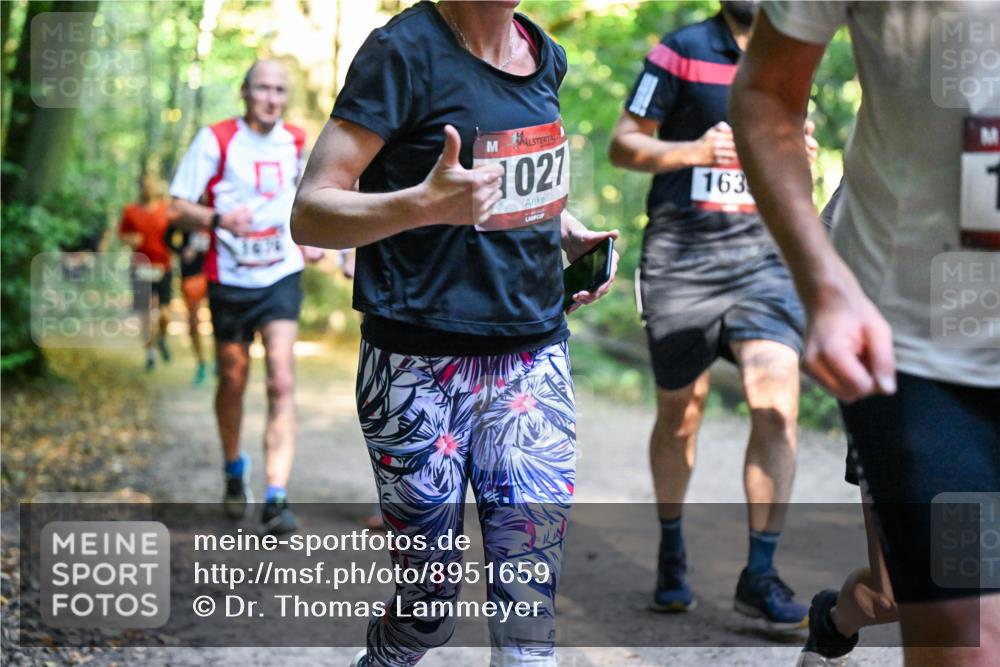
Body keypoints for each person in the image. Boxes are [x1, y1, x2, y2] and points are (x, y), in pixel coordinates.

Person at [291, 2, 618, 664]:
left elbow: (512, 178)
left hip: (532, 359)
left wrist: (563, 225)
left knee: (528, 614)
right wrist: (422, 203)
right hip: (415, 369)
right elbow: (310, 213)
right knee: (428, 608)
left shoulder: (543, 54)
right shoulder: (401, 53)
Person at [730, 2, 1000, 665]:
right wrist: (825, 288)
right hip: (919, 343)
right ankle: (836, 619)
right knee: (937, 614)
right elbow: (766, 91)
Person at [608, 0, 817, 630]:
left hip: (763, 259)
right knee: (681, 414)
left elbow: (795, 157)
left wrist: (797, 157)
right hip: (682, 261)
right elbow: (623, 145)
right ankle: (672, 552)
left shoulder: (796, 50)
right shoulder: (679, 50)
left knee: (776, 401)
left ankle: (761, 573)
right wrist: (694, 151)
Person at [168, 59, 323, 536]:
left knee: (280, 379)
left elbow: (313, 196)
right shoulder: (215, 140)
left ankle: (276, 497)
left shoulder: (298, 141)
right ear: (244, 91)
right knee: (232, 378)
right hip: (230, 278)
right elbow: (176, 208)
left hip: (280, 274)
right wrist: (217, 220)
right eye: (262, 89)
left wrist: (316, 237)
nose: (271, 98)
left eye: (279, 90)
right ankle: (234, 468)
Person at [120, 174, 173, 372]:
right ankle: (149, 353)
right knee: (145, 313)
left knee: (165, 314)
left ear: (157, 186)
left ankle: (162, 339)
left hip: (163, 266)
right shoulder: (130, 211)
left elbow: (177, 234)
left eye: (151, 184)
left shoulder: (167, 209)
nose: (148, 188)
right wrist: (130, 240)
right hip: (140, 267)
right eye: (144, 185)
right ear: (141, 187)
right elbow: (122, 235)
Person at [164, 225, 211, 385]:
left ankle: (220, 361)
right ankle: (201, 363)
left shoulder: (221, 203)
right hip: (191, 274)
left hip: (216, 273)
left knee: (221, 319)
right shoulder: (185, 207)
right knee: (193, 322)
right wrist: (182, 250)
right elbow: (167, 237)